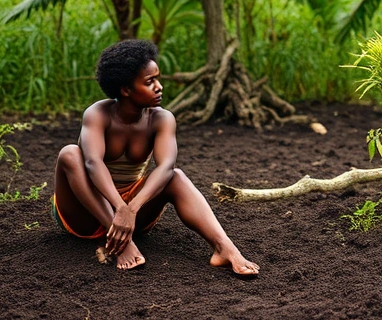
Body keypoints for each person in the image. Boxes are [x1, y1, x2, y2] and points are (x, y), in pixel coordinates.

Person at [51, 39, 259, 275]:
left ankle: (225, 248)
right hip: (84, 213)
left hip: (133, 212)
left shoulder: (161, 119)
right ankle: (124, 244)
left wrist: (130, 209)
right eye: (150, 82)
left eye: (158, 79)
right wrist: (120, 209)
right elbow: (92, 163)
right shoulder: (98, 114)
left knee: (175, 175)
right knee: (69, 154)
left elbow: (166, 166)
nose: (159, 87)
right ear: (125, 89)